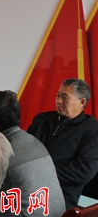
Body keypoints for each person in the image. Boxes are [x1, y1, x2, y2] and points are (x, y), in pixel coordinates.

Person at [28, 78, 98, 209]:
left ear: (82, 102)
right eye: (58, 95)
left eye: (65, 97)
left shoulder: (92, 130)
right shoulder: (41, 120)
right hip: (26, 188)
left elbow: (84, 170)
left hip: (59, 198)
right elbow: (23, 151)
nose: (59, 101)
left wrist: (39, 170)